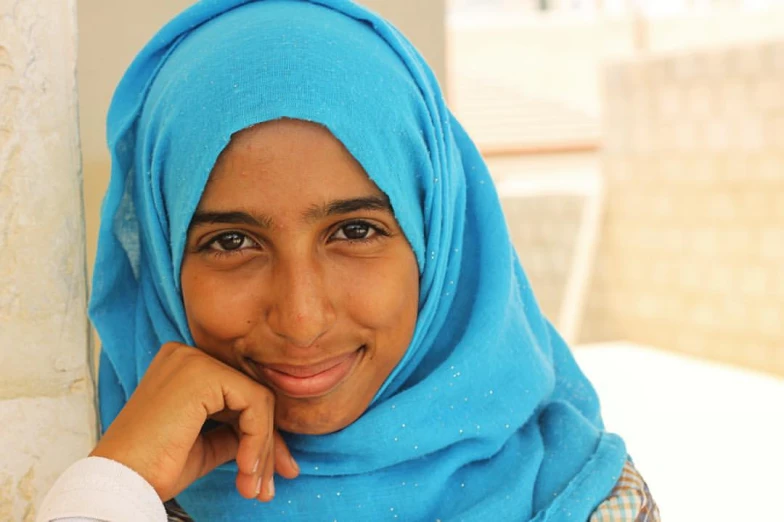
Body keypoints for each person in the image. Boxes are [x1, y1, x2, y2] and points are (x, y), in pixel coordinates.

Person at [38, 1, 659, 521]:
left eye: (355, 230)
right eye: (232, 242)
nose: (302, 318)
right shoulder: (117, 490)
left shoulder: (589, 503)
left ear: (436, 243)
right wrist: (114, 486)